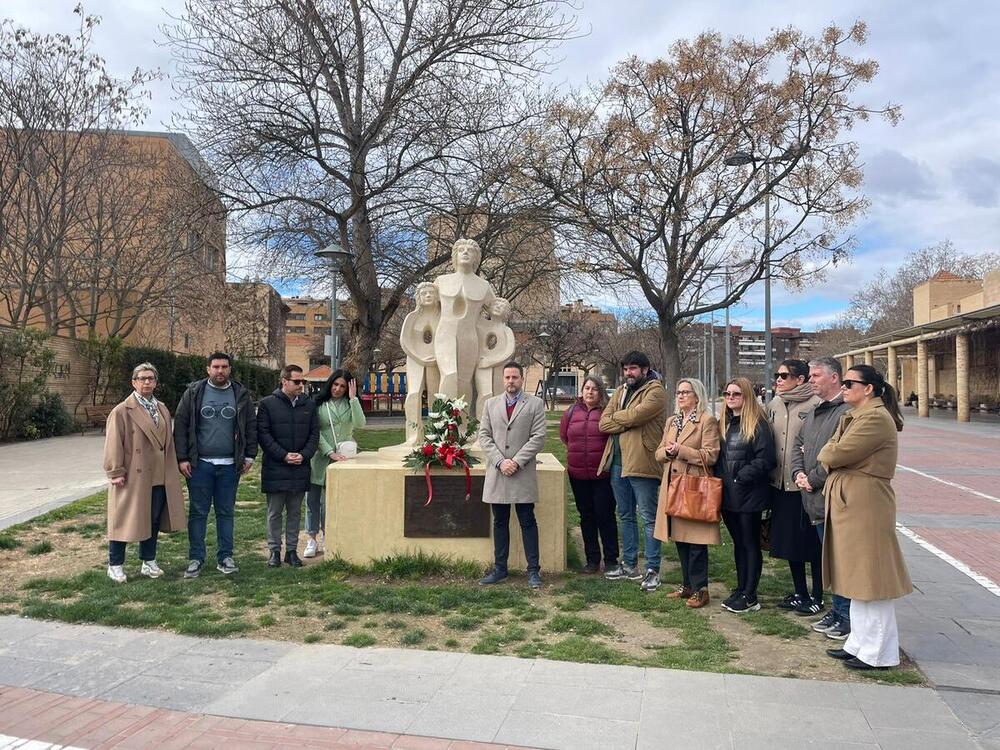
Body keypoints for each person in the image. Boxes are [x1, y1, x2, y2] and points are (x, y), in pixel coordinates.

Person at [821, 364, 912, 670]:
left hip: (867, 504)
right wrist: (830, 451)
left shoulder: (874, 418)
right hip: (855, 501)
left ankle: (878, 653)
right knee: (857, 577)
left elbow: (834, 453)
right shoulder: (858, 415)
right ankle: (859, 643)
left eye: (849, 383)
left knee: (872, 577)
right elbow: (832, 450)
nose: (844, 388)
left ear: (869, 389)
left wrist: (830, 452)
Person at [174, 351, 257, 578]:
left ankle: (225, 557)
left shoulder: (240, 394)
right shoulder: (193, 393)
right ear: (208, 369)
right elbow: (180, 426)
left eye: (224, 367)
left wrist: (250, 455)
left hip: (230, 466)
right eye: (216, 367)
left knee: (226, 512)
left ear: (230, 369)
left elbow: (251, 425)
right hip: (200, 465)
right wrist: (182, 458)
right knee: (198, 512)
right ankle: (196, 558)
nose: (220, 371)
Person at [103, 363, 186, 583]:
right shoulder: (122, 410)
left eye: (150, 378)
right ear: (133, 382)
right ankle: (115, 564)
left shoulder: (162, 408)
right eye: (142, 378)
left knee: (153, 520)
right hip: (132, 475)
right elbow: (113, 443)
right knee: (123, 519)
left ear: (156, 382)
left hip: (159, 474)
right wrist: (115, 471)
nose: (146, 382)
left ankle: (148, 562)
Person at [791, 357, 853, 639]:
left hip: (833, 498)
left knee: (842, 563)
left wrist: (812, 478)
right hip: (811, 496)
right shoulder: (815, 411)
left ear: (835, 378)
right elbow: (798, 446)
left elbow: (837, 456)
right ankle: (838, 610)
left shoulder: (846, 412)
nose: (811, 379)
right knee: (831, 562)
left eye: (816, 375)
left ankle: (846, 615)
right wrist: (797, 473)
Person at [599, 351, 668, 590]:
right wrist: (625, 419)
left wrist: (622, 418)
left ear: (645, 370)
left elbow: (638, 416)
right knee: (626, 515)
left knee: (648, 518)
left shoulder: (656, 391)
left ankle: (652, 569)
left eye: (634, 368)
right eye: (626, 368)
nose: (629, 373)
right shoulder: (620, 391)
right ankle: (629, 564)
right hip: (618, 462)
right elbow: (603, 422)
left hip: (642, 462)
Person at [653, 378, 721, 608]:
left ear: (697, 396)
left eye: (685, 392)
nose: (680, 396)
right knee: (680, 538)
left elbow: (711, 455)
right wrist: (669, 453)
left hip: (693, 487)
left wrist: (681, 450)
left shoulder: (707, 421)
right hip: (672, 486)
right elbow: (659, 452)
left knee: (696, 541)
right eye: (678, 392)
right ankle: (687, 584)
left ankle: (701, 588)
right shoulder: (673, 421)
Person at [478, 362, 547, 588]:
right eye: (507, 377)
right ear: (503, 379)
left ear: (521, 378)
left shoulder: (535, 404)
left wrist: (516, 462)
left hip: (522, 473)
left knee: (528, 521)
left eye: (515, 377)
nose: (511, 381)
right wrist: (500, 461)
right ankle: (500, 569)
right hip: (498, 474)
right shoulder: (490, 404)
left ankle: (533, 571)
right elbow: (484, 436)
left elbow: (538, 437)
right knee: (500, 522)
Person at [767, 359, 823, 614]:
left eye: (784, 376)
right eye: (777, 376)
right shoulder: (774, 405)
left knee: (812, 544)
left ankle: (818, 595)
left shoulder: (816, 405)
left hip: (806, 485)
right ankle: (800, 592)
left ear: (800, 379)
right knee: (790, 543)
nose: (778, 380)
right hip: (780, 485)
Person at [717, 377, 776, 613]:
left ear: (747, 396)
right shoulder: (725, 423)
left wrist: (741, 476)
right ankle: (741, 588)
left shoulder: (757, 423)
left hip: (749, 494)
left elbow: (766, 458)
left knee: (750, 544)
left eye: (736, 394)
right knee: (738, 544)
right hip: (728, 495)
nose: (730, 397)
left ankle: (750, 595)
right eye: (727, 393)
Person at [257, 364, 319, 568]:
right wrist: (283, 456)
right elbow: (264, 435)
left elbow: (314, 435)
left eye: (303, 381)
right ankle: (274, 551)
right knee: (275, 512)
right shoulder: (267, 404)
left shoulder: (309, 405)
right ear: (284, 381)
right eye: (297, 381)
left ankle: (291, 551)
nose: (301, 385)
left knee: (294, 512)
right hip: (276, 467)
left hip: (300, 466)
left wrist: (304, 455)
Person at [560, 376, 618, 574]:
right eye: (586, 388)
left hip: (603, 475)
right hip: (577, 474)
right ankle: (592, 559)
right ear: (582, 390)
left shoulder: (607, 412)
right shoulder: (570, 412)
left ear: (600, 392)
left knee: (605, 516)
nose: (590, 392)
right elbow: (564, 437)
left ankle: (611, 559)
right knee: (586, 517)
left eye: (594, 388)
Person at [305, 369, 366, 558]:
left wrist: (354, 399)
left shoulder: (351, 404)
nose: (338, 389)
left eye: (342, 386)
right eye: (335, 384)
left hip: (343, 457)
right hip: (320, 456)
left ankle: (328, 536)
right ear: (329, 384)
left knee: (330, 502)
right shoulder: (318, 404)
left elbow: (360, 423)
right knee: (313, 500)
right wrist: (329, 451)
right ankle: (311, 539)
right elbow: (315, 431)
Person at [400, 282, 441, 446]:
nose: (428, 296)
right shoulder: (412, 317)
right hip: (415, 359)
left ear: (437, 296)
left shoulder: (442, 318)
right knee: (413, 395)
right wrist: (418, 357)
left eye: (431, 293)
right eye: (424, 293)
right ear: (419, 297)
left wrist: (438, 357)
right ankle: (413, 435)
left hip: (436, 360)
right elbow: (405, 340)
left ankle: (437, 435)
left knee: (436, 397)